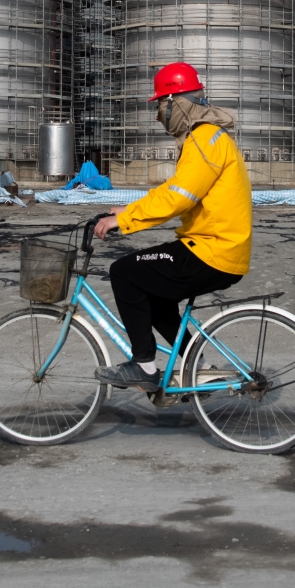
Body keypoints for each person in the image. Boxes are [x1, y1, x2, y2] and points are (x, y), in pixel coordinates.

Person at [92, 61, 251, 393]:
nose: (159, 115)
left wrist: (124, 220)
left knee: (124, 273)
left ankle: (143, 367)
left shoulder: (204, 139)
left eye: (162, 105)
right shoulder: (204, 137)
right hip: (214, 245)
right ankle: (201, 367)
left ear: (177, 102)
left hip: (213, 249)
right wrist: (129, 210)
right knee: (156, 294)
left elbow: (179, 197)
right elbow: (175, 190)